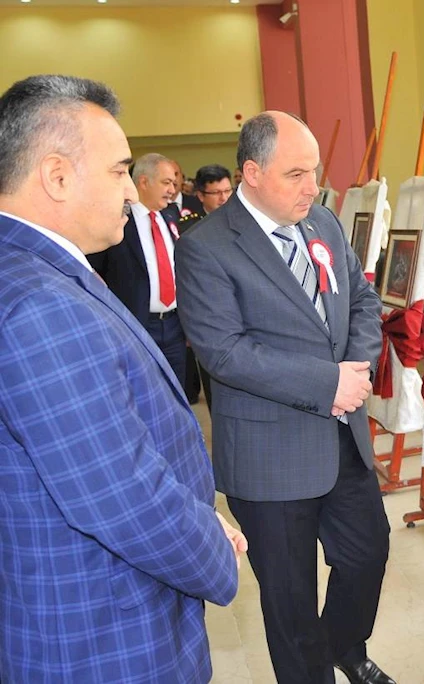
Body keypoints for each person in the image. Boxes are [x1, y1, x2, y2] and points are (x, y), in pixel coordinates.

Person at [0, 74, 246, 682]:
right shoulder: (39, 304)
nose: (131, 192)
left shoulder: (36, 270)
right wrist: (212, 550)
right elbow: (120, 491)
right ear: (57, 176)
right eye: (118, 172)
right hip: (105, 633)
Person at [175, 111, 392, 684]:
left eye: (314, 171)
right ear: (252, 173)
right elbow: (224, 352)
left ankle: (343, 647)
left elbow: (362, 300)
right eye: (295, 174)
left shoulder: (323, 222)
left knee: (367, 555)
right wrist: (327, 383)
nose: (311, 186)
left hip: (342, 438)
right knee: (291, 601)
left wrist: (355, 369)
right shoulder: (206, 247)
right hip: (270, 456)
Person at [89, 152, 189, 387]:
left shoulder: (171, 215)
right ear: (143, 182)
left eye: (174, 183)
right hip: (135, 325)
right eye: (166, 182)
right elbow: (93, 270)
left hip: (174, 326)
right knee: (142, 390)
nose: (172, 189)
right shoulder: (116, 220)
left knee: (176, 391)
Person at [178, 163, 235, 409]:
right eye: (216, 193)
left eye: (228, 191)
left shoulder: (242, 222)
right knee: (216, 390)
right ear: (200, 195)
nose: (224, 198)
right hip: (209, 319)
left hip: (243, 315)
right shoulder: (187, 229)